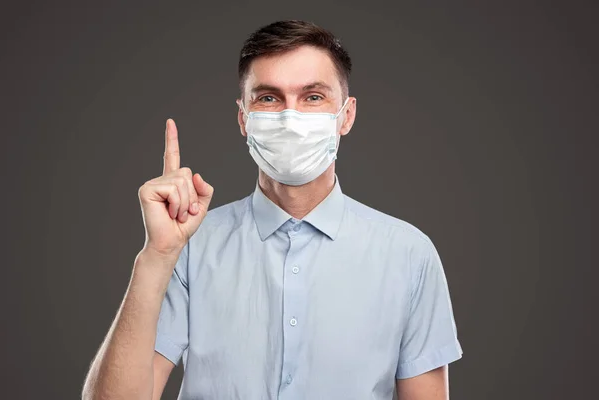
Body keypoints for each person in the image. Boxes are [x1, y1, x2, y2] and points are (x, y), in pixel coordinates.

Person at [82, 19, 463, 400]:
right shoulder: (190, 246)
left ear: (346, 115)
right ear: (244, 118)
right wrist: (157, 255)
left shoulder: (409, 255)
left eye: (313, 97)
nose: (290, 117)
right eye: (269, 98)